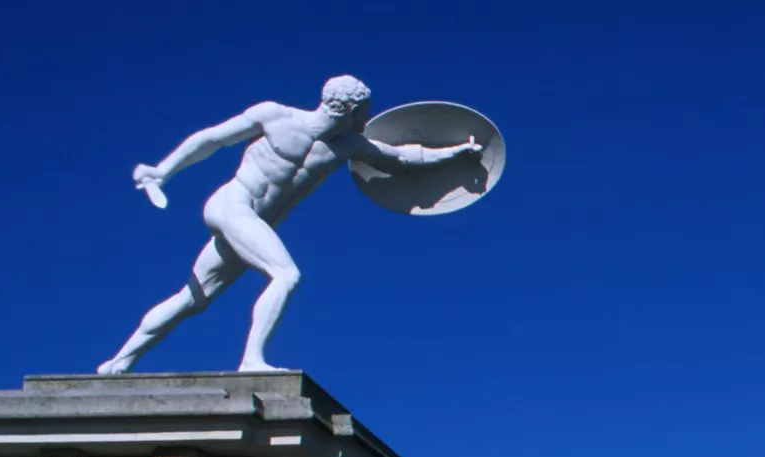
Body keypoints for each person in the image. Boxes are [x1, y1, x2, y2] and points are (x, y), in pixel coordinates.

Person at [98, 75, 485, 374]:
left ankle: (118, 362)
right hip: (233, 204)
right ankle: (252, 359)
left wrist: (459, 152)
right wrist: (162, 171)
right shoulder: (275, 115)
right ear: (349, 109)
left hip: (252, 223)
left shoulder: (346, 146)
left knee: (192, 299)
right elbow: (212, 139)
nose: (365, 120)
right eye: (363, 112)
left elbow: (402, 157)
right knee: (285, 275)